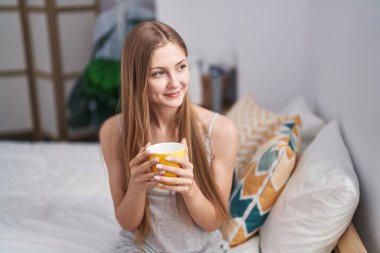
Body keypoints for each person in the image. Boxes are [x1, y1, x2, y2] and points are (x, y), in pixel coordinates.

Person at [99, 21, 238, 253]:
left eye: (181, 67)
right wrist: (137, 184)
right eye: (159, 73)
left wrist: (189, 188)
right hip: (142, 247)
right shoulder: (114, 131)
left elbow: (214, 222)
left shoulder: (220, 130)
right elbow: (127, 222)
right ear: (137, 78)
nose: (175, 82)